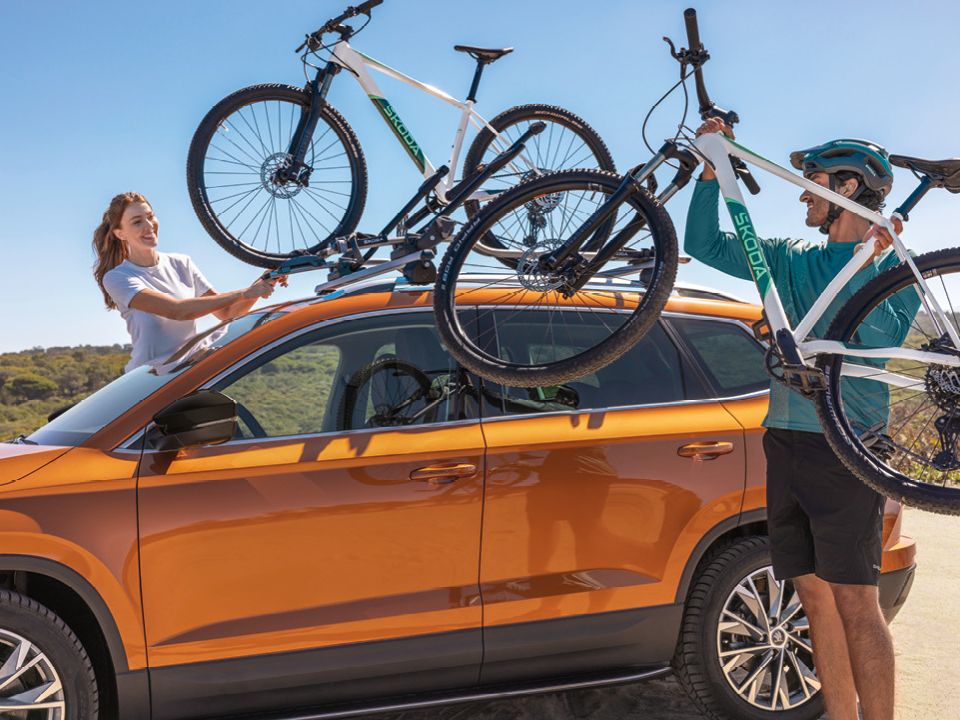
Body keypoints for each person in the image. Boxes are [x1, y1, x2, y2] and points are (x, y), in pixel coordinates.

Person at [686, 119, 920, 720]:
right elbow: (705, 246)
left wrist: (868, 262)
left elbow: (877, 337)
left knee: (857, 601)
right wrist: (710, 174)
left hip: (848, 445)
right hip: (786, 438)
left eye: (814, 182)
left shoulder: (895, 267)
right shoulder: (790, 258)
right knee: (812, 596)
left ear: (849, 186)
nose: (803, 196)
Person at [93, 192, 284, 373]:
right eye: (137, 222)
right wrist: (244, 293)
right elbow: (177, 311)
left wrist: (263, 283)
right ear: (120, 233)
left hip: (184, 374)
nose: (149, 225)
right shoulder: (118, 277)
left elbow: (227, 313)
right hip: (148, 380)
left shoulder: (181, 263)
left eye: (150, 217)